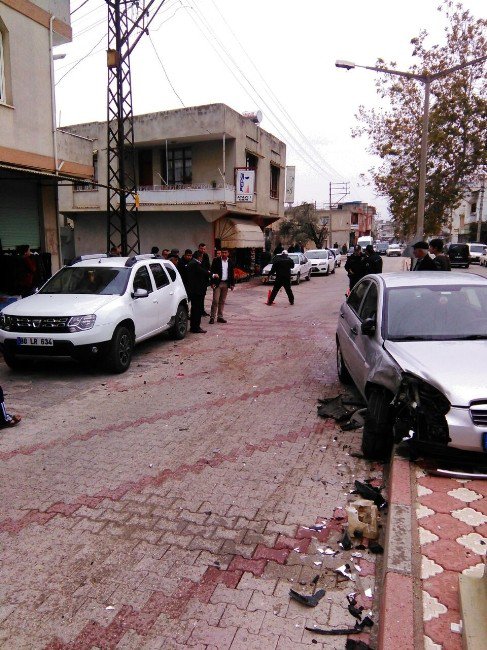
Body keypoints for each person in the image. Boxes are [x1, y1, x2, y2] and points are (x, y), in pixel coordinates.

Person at [186, 250, 211, 333]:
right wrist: (212, 274)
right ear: (200, 257)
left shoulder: (191, 263)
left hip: (194, 290)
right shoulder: (194, 264)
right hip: (197, 291)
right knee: (197, 309)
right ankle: (196, 327)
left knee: (194, 309)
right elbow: (203, 272)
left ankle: (194, 326)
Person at [209, 248, 235, 324]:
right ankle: (212, 317)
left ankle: (220, 317)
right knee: (215, 300)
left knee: (222, 301)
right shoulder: (216, 260)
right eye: (222, 252)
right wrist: (212, 283)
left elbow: (231, 273)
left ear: (228, 253)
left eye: (225, 253)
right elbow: (212, 271)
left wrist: (232, 284)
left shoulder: (230, 262)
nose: (224, 254)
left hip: (226, 283)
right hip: (217, 283)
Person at [194, 243, 211, 315]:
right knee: (197, 296)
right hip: (197, 279)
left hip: (204, 278)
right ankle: (196, 311)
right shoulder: (195, 255)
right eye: (201, 249)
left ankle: (202, 310)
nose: (203, 250)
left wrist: (209, 273)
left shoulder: (206, 255)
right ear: (199, 248)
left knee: (203, 295)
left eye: (204, 249)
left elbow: (208, 265)